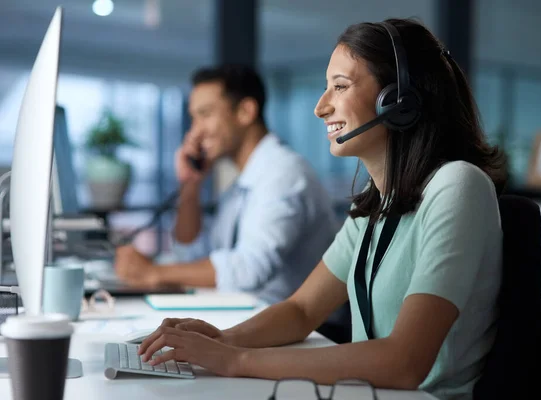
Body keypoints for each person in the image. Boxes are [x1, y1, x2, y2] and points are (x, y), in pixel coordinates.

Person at [135, 18, 507, 400]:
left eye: (340, 87)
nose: (320, 107)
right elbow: (301, 311)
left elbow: (404, 362)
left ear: (398, 101)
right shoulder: (379, 202)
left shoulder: (458, 186)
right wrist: (223, 339)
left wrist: (236, 360)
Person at [113, 64, 344, 320]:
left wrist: (154, 272)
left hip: (308, 332)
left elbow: (250, 269)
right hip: (254, 318)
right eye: (194, 118)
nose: (195, 132)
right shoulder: (241, 183)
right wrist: (190, 184)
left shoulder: (283, 173)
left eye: (206, 114)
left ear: (245, 111)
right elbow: (192, 255)